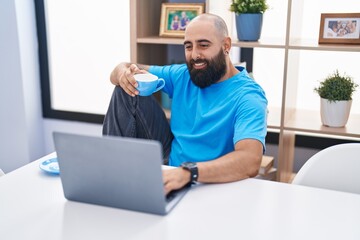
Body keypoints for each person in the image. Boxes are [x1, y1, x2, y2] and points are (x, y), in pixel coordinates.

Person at [103, 13, 268, 195]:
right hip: (169, 163)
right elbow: (125, 67)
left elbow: (250, 161)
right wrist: (121, 73)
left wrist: (188, 172)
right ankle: (112, 178)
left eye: (204, 45)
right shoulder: (182, 75)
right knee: (126, 87)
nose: (195, 55)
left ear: (226, 46)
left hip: (209, 180)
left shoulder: (248, 96)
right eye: (188, 46)